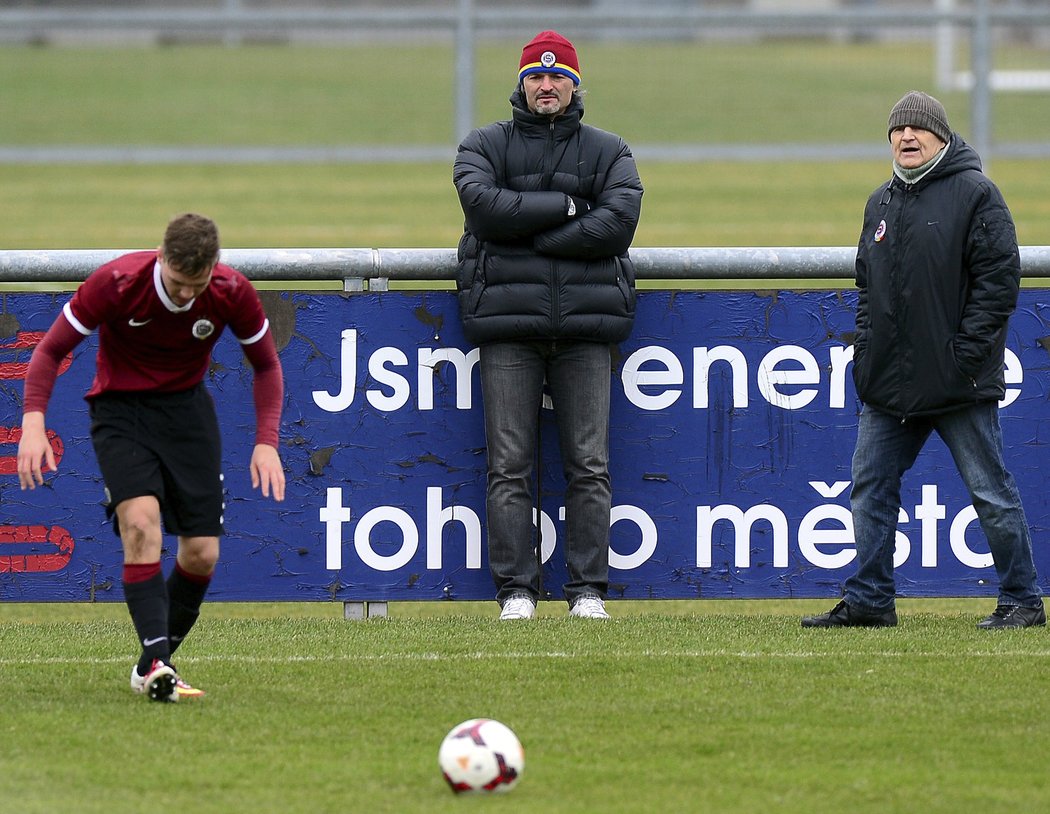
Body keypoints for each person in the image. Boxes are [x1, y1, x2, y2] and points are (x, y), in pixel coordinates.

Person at [17, 212, 286, 700]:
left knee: (202, 554)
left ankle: (151, 663)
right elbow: (49, 351)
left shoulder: (231, 291)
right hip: (121, 413)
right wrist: (33, 422)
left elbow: (266, 364)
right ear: (161, 258)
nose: (187, 295)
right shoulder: (117, 283)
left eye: (196, 285)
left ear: (214, 269)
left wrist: (266, 441)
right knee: (141, 527)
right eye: (179, 283)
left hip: (187, 415)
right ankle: (160, 663)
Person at [802, 91, 1043, 630]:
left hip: (957, 380)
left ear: (942, 136)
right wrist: (866, 353)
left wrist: (965, 355)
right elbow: (867, 286)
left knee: (990, 492)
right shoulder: (880, 202)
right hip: (888, 382)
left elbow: (999, 283)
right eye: (898, 129)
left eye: (918, 129)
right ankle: (869, 601)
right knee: (869, 490)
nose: (906, 137)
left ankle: (1022, 600)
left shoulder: (977, 193)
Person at [453, 31, 643, 621]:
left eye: (558, 76)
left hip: (585, 330)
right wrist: (567, 208)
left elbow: (618, 224)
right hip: (509, 329)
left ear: (575, 84)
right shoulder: (484, 143)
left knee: (589, 464)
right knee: (509, 464)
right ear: (521, 82)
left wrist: (525, 234)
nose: (547, 84)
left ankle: (587, 590)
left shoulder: (609, 150)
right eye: (536, 74)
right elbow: (482, 208)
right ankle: (517, 591)